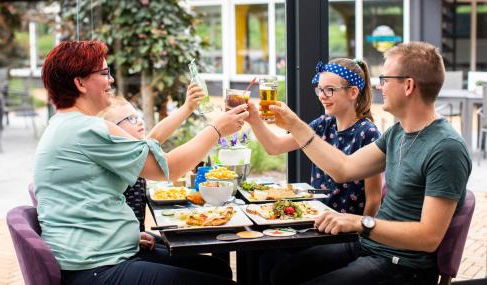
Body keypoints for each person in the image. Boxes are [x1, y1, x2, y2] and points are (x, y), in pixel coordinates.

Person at [35, 40, 248, 285]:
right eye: (104, 73)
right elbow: (166, 168)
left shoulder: (65, 125)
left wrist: (127, 236)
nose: (111, 80)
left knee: (216, 268)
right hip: (96, 269)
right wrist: (217, 129)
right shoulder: (86, 128)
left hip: (97, 256)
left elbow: (148, 144)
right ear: (80, 83)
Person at [267, 42, 471, 285]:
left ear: (408, 86)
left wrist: (359, 222)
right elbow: (344, 169)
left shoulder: (446, 148)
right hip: (372, 247)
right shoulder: (397, 133)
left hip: (404, 266)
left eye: (385, 78)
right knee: (282, 272)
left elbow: (428, 237)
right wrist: (295, 126)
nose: (377, 85)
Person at [247, 58, 382, 216]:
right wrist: (254, 119)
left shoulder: (367, 132)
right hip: (317, 219)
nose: (322, 96)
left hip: (348, 231)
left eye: (330, 89)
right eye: (320, 89)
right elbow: (274, 147)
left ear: (353, 92)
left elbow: (374, 198)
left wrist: (361, 234)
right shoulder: (323, 123)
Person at [98, 88, 202, 232]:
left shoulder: (133, 153)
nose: (139, 122)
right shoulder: (120, 158)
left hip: (134, 236)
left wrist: (187, 107)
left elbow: (154, 137)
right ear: (113, 131)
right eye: (131, 119)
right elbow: (170, 166)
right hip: (123, 241)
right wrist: (216, 129)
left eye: (137, 116)